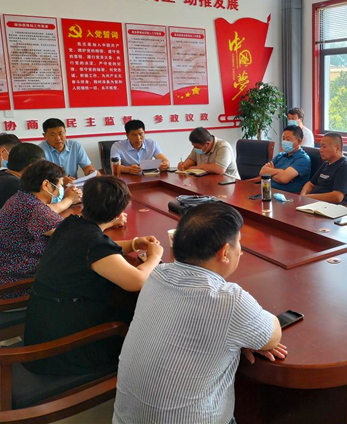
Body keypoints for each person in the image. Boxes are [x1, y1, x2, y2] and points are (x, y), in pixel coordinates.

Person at [113, 202, 286, 423]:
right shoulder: (228, 299)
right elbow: (273, 337)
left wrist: (237, 333)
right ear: (225, 252)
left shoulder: (157, 274)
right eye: (239, 243)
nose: (241, 250)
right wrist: (243, 332)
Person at [24, 176, 163, 376]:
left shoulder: (70, 224)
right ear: (119, 213)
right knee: (142, 325)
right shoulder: (94, 243)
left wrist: (134, 244)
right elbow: (137, 281)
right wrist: (154, 257)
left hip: (43, 329)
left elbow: (101, 251)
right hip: (63, 350)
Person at [0, 160, 70, 295]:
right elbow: (73, 233)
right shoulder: (34, 209)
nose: (61, 189)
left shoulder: (21, 199)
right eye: (60, 184)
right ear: (46, 185)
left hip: (1, 282)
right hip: (14, 289)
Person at [0, 143, 72, 248]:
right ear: (31, 168)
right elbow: (44, 213)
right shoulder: (16, 185)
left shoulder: (3, 175)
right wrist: (70, 199)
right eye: (41, 166)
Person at [301, 132, 347, 204]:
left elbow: (337, 197)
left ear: (337, 148)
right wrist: (302, 196)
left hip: (332, 207)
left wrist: (309, 197)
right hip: (315, 202)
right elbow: (310, 184)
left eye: (324, 147)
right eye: (320, 146)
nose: (320, 150)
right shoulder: (326, 163)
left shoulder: (345, 166)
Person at [39, 118, 96, 186]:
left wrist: (91, 172)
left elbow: (87, 167)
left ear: (65, 132)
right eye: (52, 135)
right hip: (52, 188)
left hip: (73, 186)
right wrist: (59, 180)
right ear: (44, 135)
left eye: (60, 133)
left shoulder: (75, 146)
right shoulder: (40, 150)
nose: (58, 138)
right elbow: (41, 177)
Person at [259, 125, 311, 194]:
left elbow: (283, 179)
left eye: (288, 139)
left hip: (287, 196)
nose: (284, 141)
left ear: (298, 141)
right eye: (283, 139)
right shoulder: (280, 155)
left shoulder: (303, 159)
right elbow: (262, 172)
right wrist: (281, 171)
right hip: (267, 191)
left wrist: (271, 173)